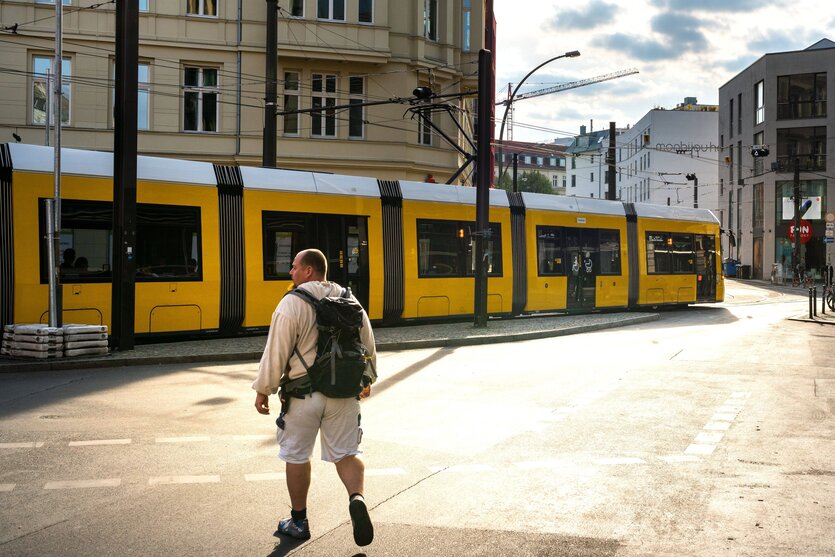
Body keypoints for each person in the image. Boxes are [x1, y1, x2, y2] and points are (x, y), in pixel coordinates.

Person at [253, 248, 377, 547]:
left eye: (294, 267)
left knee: (296, 455)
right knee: (347, 453)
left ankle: (298, 521)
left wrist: (263, 389)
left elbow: (276, 351)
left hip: (303, 394)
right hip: (343, 394)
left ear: (309, 270)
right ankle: (357, 498)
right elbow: (368, 343)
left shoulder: (291, 304)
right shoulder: (349, 298)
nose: (291, 272)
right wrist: (367, 378)